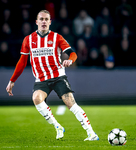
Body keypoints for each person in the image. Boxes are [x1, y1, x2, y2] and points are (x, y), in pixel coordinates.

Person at [6, 10, 99, 141]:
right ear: (36, 22)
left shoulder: (57, 37)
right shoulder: (28, 40)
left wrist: (70, 60)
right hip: (41, 79)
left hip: (58, 76)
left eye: (46, 19)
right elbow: (22, 62)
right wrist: (12, 80)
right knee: (36, 98)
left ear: (50, 22)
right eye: (41, 19)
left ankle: (91, 133)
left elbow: (73, 53)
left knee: (70, 102)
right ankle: (57, 127)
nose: (44, 22)